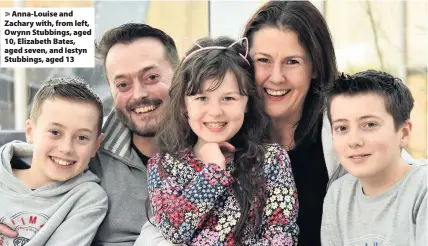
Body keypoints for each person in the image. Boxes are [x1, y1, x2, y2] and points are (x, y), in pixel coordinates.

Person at [242, 1, 419, 245]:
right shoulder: (227, 135)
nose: (276, 77)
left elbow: (403, 176)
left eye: (292, 61)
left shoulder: (341, 129)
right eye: (263, 60)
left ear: (315, 66)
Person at [147, 36, 299, 245]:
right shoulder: (163, 165)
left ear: (247, 103)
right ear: (184, 105)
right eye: (202, 98)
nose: (216, 112)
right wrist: (213, 173)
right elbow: (173, 230)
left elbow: (281, 235)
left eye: (228, 98)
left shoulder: (271, 159)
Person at [89, 23, 179, 245]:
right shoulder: (88, 151)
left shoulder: (216, 145)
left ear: (179, 75)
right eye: (123, 84)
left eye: (151, 77)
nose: (139, 95)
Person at [321, 70, 427, 245]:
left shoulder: (421, 189)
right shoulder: (338, 195)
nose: (354, 141)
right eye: (342, 128)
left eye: (370, 124)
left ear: (404, 133)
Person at [0, 77, 108, 246]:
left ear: (96, 145)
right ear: (30, 132)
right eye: (55, 132)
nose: (66, 148)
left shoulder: (87, 199)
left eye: (81, 137)